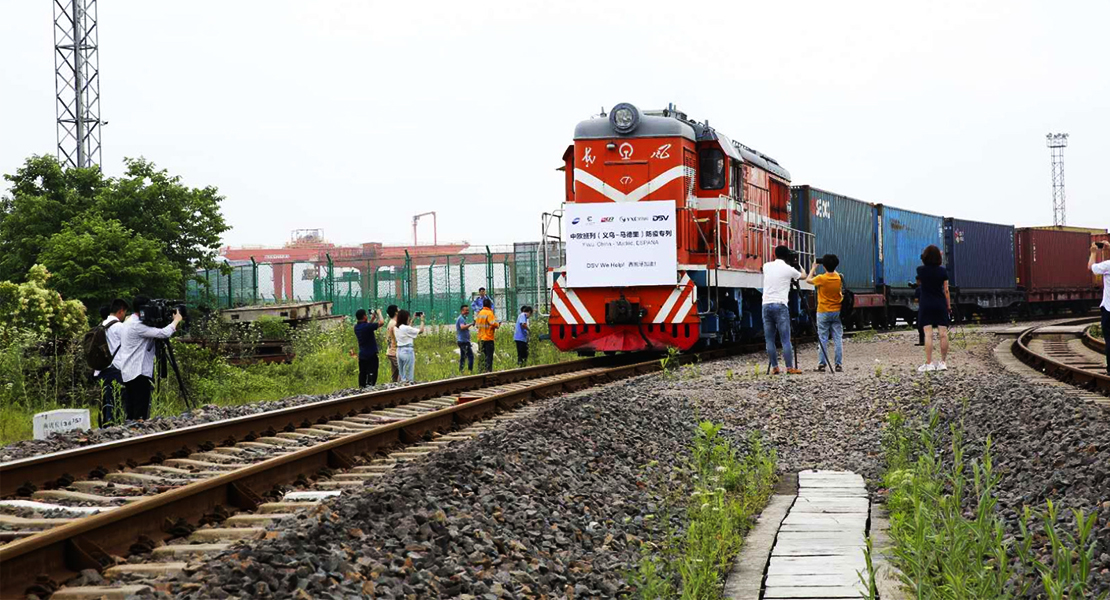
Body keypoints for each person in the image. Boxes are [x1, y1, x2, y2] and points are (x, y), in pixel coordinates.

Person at [114, 296, 181, 421]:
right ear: (144, 309)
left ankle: (131, 433)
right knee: (140, 411)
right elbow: (163, 333)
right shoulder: (137, 325)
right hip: (138, 372)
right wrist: (176, 321)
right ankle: (138, 432)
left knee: (132, 409)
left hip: (129, 372)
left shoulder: (128, 322)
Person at [762, 245, 804, 374]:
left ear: (774, 254)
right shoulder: (788, 269)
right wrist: (798, 265)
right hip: (780, 305)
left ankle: (775, 367)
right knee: (785, 339)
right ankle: (789, 367)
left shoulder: (766, 266)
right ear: (787, 256)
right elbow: (803, 276)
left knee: (769, 339)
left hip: (766, 305)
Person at [916, 245, 951, 372]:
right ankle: (943, 363)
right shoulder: (943, 271)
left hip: (926, 304)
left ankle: (929, 363)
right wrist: (949, 306)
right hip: (940, 303)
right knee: (943, 334)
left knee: (928, 335)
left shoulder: (920, 270)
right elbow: (946, 290)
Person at [806, 254, 844, 372]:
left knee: (823, 338)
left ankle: (822, 364)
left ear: (824, 266)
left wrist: (813, 267)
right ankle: (838, 364)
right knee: (838, 338)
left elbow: (808, 280)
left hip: (823, 311)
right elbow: (834, 271)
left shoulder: (821, 278)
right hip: (837, 311)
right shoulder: (839, 277)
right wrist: (830, 265)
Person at [94, 298, 128, 426]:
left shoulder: (100, 326)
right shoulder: (120, 327)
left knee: (106, 402)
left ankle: (105, 427)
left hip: (102, 369)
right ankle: (115, 427)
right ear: (120, 311)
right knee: (117, 401)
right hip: (116, 369)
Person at [1089, 242, 1110, 375]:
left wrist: (1093, 253)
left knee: (1109, 339)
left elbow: (1092, 267)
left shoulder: (1108, 265)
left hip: (1109, 309)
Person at [393, 309, 425, 383]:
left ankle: (402, 387)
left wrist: (413, 319)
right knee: (408, 374)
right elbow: (421, 330)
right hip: (407, 350)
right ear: (405, 318)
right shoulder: (405, 328)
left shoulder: (396, 327)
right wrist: (422, 320)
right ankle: (408, 387)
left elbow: (408, 329)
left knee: (402, 374)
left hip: (399, 351)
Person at [354, 308, 383, 387]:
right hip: (371, 355)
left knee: (362, 372)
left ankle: (362, 387)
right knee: (372, 372)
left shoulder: (356, 327)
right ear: (364, 316)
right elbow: (381, 323)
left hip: (362, 355)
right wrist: (379, 313)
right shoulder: (367, 327)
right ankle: (370, 386)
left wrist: (372, 319)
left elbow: (367, 327)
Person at [475, 297, 499, 372]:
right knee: (489, 356)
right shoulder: (489, 313)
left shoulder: (480, 313)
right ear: (489, 305)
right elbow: (493, 323)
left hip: (480, 338)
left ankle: (481, 370)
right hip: (488, 338)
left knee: (482, 356)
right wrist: (498, 324)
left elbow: (477, 325)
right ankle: (488, 371)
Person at [455, 305, 475, 373]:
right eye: (466, 310)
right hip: (463, 341)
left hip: (463, 341)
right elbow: (462, 327)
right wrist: (471, 324)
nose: (467, 312)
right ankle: (470, 371)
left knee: (463, 357)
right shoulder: (461, 318)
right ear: (462, 311)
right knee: (470, 356)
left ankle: (461, 370)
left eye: (468, 310)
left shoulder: (463, 318)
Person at [384, 305, 399, 383]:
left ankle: (394, 387)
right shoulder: (395, 324)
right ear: (396, 312)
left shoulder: (391, 323)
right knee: (402, 371)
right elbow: (398, 338)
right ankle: (402, 388)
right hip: (394, 352)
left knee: (395, 374)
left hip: (390, 351)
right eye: (398, 309)